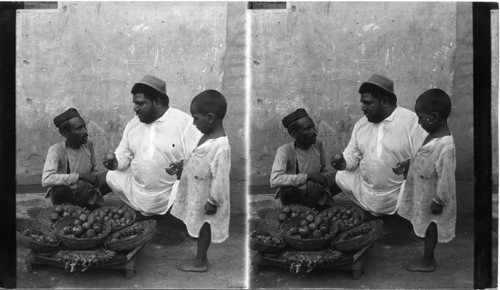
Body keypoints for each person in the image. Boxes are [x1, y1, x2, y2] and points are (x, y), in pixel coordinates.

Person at [101, 75, 202, 216]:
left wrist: (184, 166)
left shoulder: (184, 123)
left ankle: (174, 212)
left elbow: (201, 157)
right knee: (112, 176)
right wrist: (115, 162)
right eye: (134, 103)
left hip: (171, 193)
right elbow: (123, 154)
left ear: (157, 102)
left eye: (141, 103)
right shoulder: (133, 124)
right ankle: (147, 209)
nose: (135, 108)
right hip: (141, 192)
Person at [330, 74, 427, 215]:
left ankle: (403, 214)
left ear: (385, 102)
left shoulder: (411, 122)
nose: (363, 108)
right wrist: (343, 162)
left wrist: (410, 165)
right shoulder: (361, 125)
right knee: (341, 176)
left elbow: (427, 157)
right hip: (369, 192)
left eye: (368, 103)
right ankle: (375, 209)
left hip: (399, 193)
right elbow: (352, 154)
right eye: (363, 103)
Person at [167, 90, 231, 273]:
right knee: (198, 224)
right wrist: (181, 166)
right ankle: (199, 257)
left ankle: (200, 260)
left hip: (207, 197)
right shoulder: (206, 137)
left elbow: (221, 178)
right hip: (198, 191)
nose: (193, 123)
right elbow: (198, 159)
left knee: (204, 226)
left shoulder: (221, 147)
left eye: (195, 118)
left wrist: (213, 201)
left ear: (210, 117)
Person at [394, 89, 456, 272]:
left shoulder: (445, 145)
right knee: (427, 225)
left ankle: (428, 261)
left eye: (421, 117)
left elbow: (446, 177)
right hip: (424, 191)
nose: (419, 122)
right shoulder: (432, 135)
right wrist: (407, 166)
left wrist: (439, 200)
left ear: (434, 116)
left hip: (433, 197)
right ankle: (428, 258)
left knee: (431, 226)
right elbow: (425, 159)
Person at [270, 108, 334, 209]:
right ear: (294, 134)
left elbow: (323, 170)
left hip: (314, 193)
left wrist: (319, 185)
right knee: (287, 190)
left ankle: (316, 208)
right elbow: (275, 180)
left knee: (339, 177)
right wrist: (308, 177)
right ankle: (294, 214)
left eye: (313, 127)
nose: (314, 132)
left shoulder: (318, 143)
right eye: (307, 129)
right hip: (294, 197)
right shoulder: (284, 151)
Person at [42, 108, 105, 209]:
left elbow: (94, 170)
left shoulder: (88, 143)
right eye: (79, 129)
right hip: (66, 193)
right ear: (66, 134)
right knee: (59, 190)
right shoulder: (55, 150)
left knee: (110, 175)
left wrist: (89, 187)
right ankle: (67, 210)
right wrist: (80, 176)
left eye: (84, 126)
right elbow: (46, 179)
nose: (85, 131)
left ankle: (85, 205)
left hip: (85, 190)